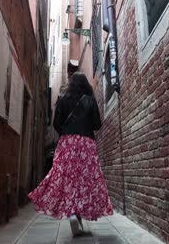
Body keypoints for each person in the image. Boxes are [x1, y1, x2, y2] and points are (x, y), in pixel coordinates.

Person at [28, 72, 113, 236]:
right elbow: (97, 124)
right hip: (86, 144)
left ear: (71, 84)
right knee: (84, 181)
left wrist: (67, 134)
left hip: (67, 143)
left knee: (67, 180)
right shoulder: (90, 100)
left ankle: (73, 213)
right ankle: (77, 214)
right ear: (86, 84)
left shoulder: (62, 99)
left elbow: (56, 124)